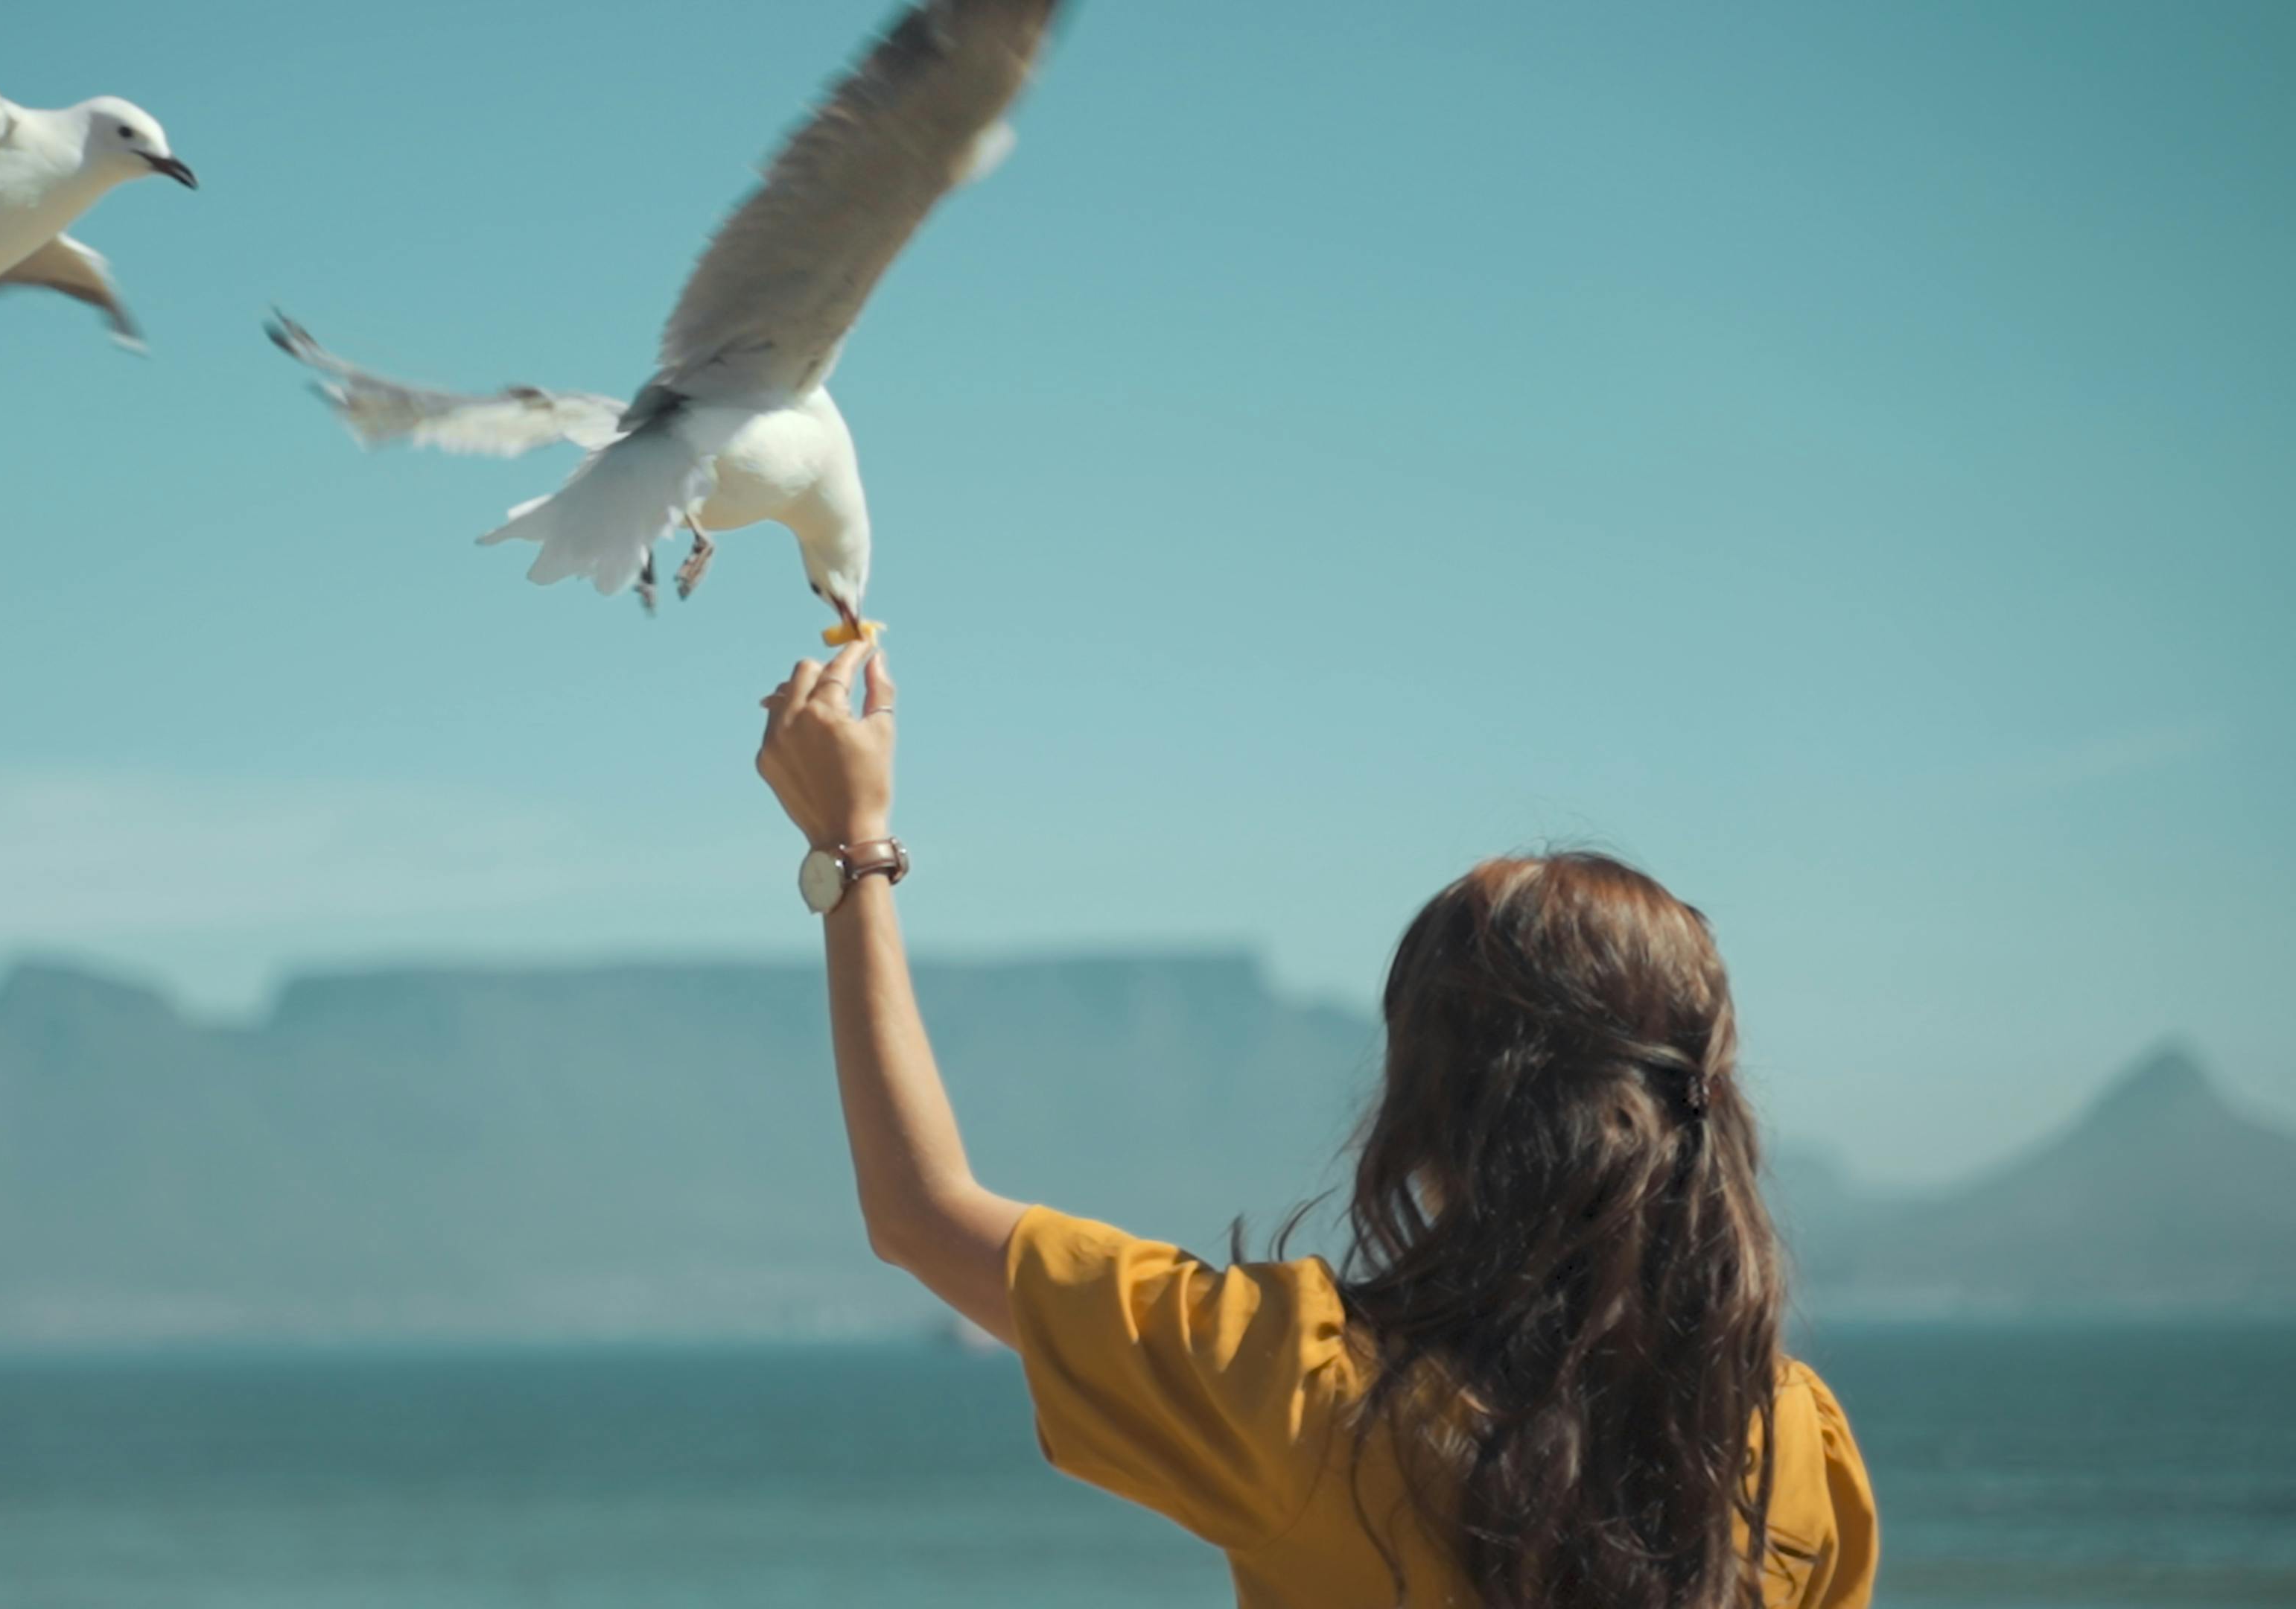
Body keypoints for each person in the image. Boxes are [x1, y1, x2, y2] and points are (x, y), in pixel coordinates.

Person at [751, 641, 1879, 1609]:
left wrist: (855, 850)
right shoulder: (1789, 1443)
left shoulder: (1300, 1388)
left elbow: (920, 1211)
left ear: (1432, 1109)